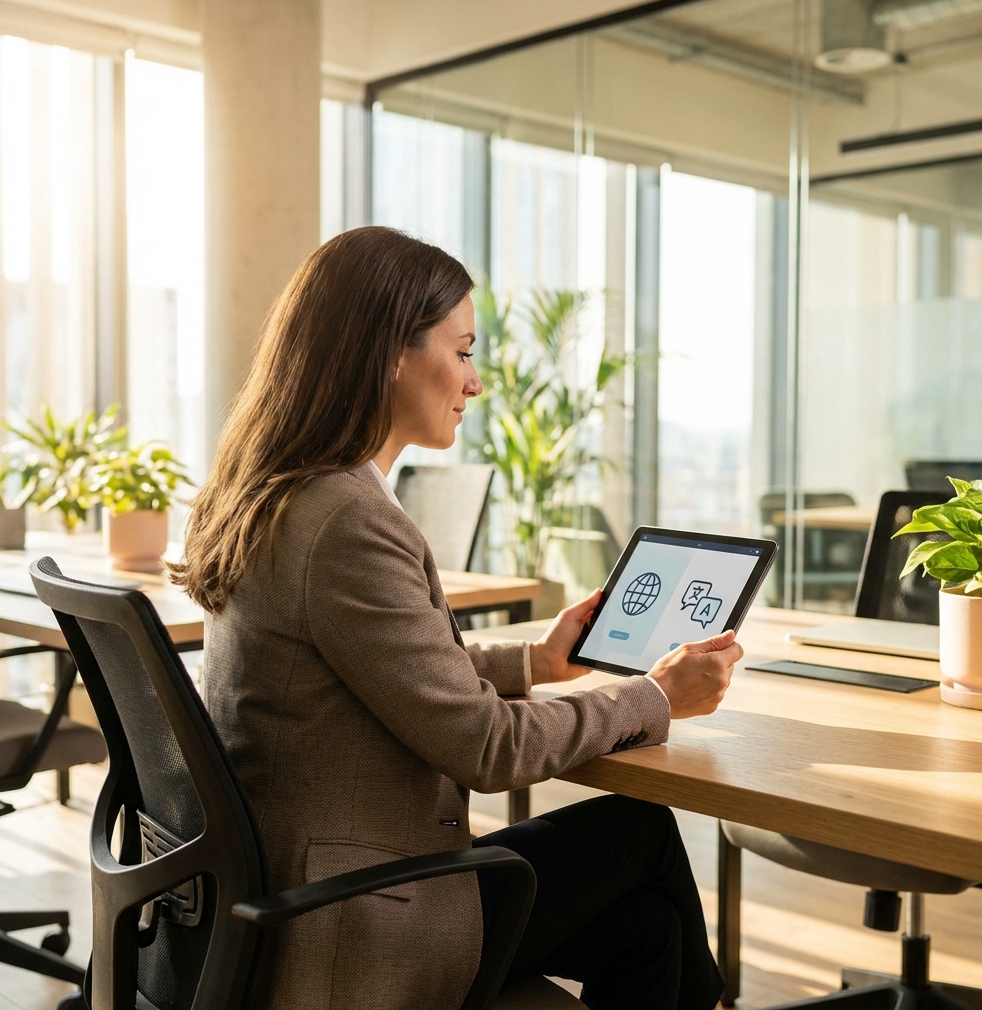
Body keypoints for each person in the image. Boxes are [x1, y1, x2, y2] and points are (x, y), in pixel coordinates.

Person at [171, 226, 743, 1010]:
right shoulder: (346, 520)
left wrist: (534, 664)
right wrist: (655, 696)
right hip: (356, 918)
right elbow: (484, 748)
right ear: (388, 354)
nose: (474, 384)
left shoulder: (280, 492)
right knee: (638, 836)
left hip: (285, 893)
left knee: (648, 928)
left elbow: (364, 668)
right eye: (464, 350)